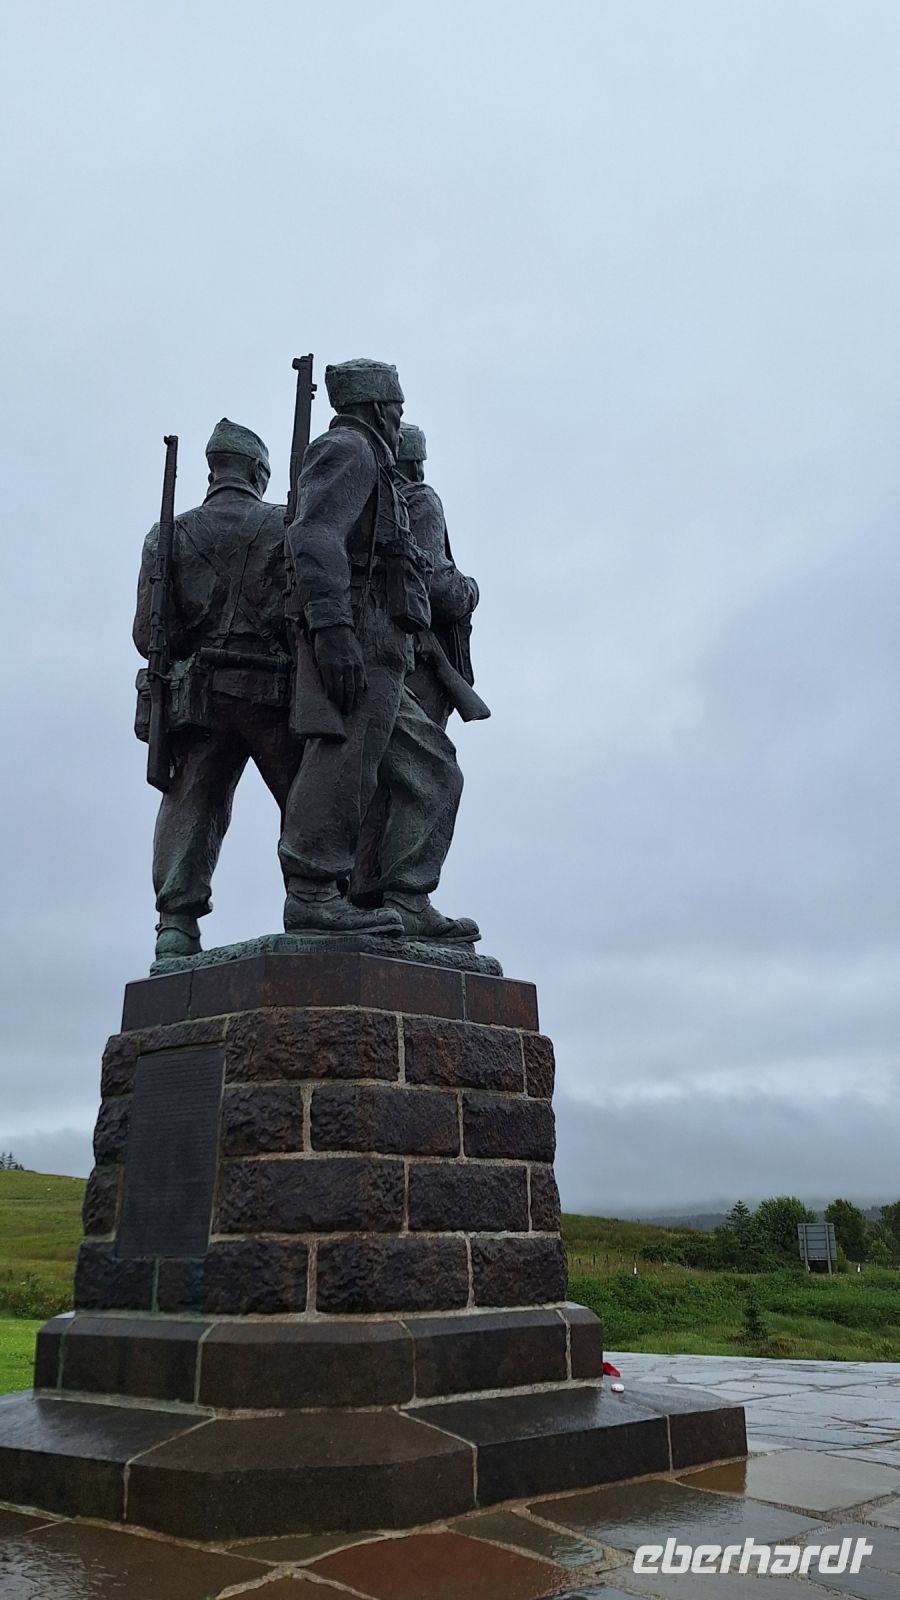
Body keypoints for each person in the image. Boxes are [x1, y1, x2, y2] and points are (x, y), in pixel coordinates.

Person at [278, 360, 478, 940]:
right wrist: (333, 630)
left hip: (387, 647)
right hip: (357, 640)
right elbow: (313, 536)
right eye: (397, 409)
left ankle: (409, 897)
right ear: (377, 408)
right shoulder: (351, 451)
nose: (400, 420)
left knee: (436, 773)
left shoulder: (378, 465)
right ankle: (313, 894)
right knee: (341, 762)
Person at [134, 420, 301, 958]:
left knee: (191, 805)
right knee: (305, 798)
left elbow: (147, 634)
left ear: (213, 472)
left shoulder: (168, 535)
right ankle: (315, 896)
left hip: (198, 698)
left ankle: (176, 925)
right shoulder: (283, 525)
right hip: (271, 691)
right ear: (257, 472)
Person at [350, 423, 480, 939]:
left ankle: (365, 893)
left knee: (377, 785)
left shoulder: (354, 504)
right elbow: (439, 586)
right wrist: (471, 590)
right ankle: (405, 897)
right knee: (430, 776)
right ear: (417, 463)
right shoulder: (419, 500)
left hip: (362, 662)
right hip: (409, 665)